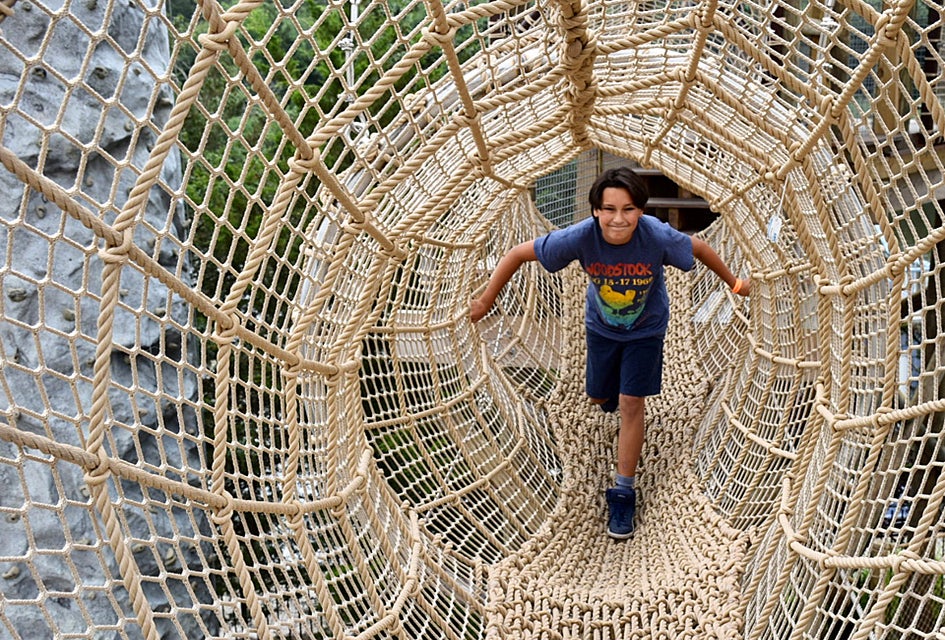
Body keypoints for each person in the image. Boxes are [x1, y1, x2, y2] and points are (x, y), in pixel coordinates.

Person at [469, 166, 750, 540]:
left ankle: (623, 491)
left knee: (632, 403)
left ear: (641, 211)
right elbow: (517, 254)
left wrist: (733, 283)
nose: (619, 219)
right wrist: (487, 299)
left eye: (629, 209)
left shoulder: (656, 236)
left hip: (647, 329)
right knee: (599, 396)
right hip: (601, 328)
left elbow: (697, 246)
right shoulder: (581, 237)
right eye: (610, 209)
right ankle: (609, 395)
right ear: (596, 212)